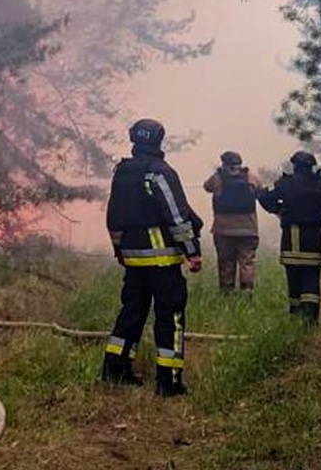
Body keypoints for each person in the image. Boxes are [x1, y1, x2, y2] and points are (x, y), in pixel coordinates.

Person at [102, 117, 204, 396]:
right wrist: (192, 252)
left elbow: (113, 217)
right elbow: (177, 216)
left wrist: (120, 251)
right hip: (162, 260)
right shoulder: (160, 172)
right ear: (159, 140)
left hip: (133, 259)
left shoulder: (121, 172)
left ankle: (115, 369)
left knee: (131, 312)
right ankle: (168, 381)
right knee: (170, 316)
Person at [257, 151, 321, 323]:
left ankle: (295, 315)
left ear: (294, 165)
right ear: (311, 166)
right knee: (311, 278)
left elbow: (262, 196)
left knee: (294, 277)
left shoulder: (284, 184)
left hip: (292, 240)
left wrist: (278, 210)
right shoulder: (320, 184)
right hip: (314, 240)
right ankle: (310, 319)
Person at [202, 151, 262, 293]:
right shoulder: (250, 178)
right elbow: (260, 188)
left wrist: (218, 173)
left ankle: (226, 291)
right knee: (247, 262)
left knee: (226, 262)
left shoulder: (217, 178)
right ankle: (247, 291)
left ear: (224, 163)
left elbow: (207, 187)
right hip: (249, 229)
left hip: (223, 230)